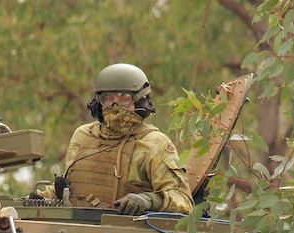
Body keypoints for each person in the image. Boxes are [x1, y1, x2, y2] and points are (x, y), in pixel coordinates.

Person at [36, 63, 194, 215]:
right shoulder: (83, 135)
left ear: (140, 101)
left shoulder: (153, 144)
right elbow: (70, 190)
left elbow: (183, 200)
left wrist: (149, 201)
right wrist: (43, 198)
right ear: (99, 102)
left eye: (125, 98)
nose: (115, 105)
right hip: (77, 232)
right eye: (108, 98)